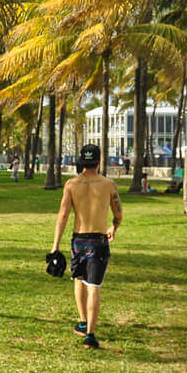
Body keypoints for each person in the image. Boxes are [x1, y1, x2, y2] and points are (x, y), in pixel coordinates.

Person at [51, 143, 122, 350]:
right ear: (99, 162)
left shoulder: (71, 185)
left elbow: (63, 216)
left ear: (81, 162)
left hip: (78, 241)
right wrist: (113, 228)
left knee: (79, 280)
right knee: (94, 287)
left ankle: (83, 322)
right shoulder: (109, 185)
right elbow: (118, 214)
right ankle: (89, 334)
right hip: (98, 241)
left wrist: (55, 245)